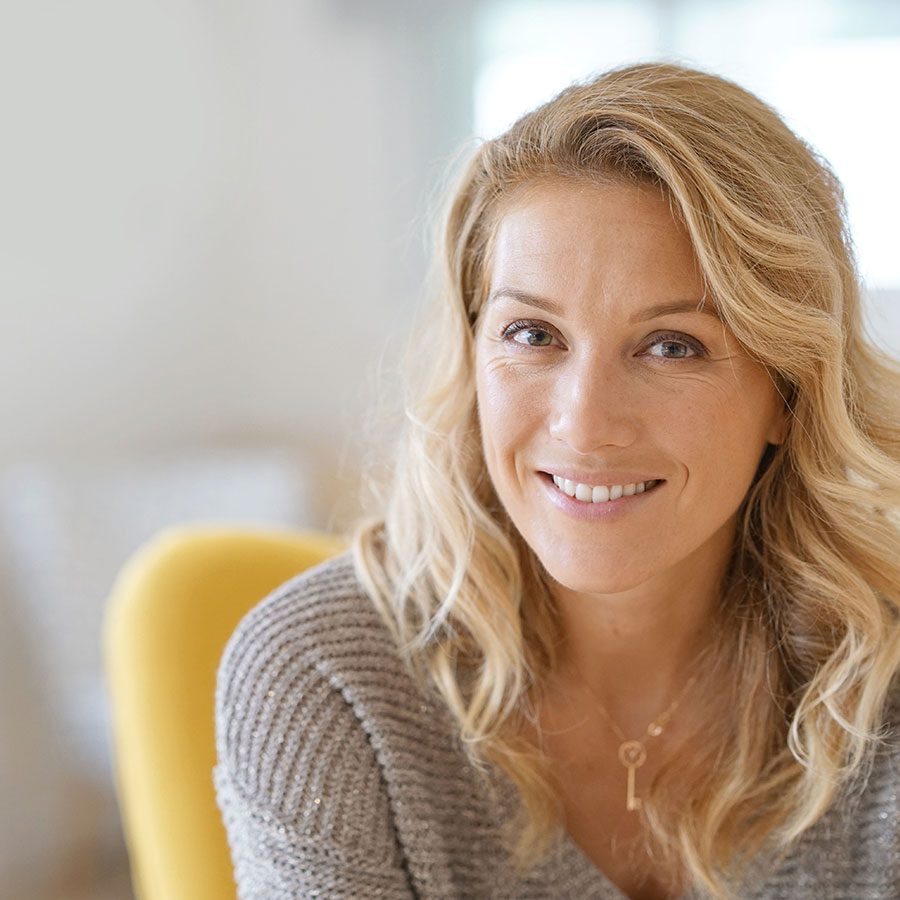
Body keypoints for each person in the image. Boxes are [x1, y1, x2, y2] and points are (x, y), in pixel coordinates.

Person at [213, 62, 900, 900]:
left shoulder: (881, 687)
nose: (583, 423)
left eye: (672, 345)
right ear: (473, 361)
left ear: (789, 392)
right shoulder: (326, 683)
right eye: (533, 334)